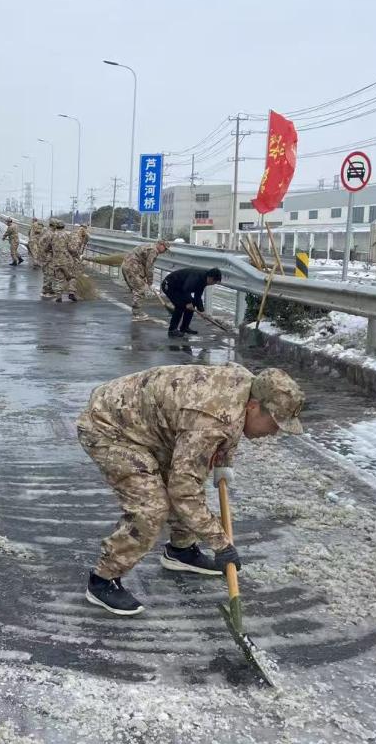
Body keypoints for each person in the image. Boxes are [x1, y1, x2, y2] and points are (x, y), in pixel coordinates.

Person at [76, 365, 305, 615]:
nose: (274, 432)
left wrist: (223, 461)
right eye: (274, 423)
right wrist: (220, 543)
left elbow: (228, 425)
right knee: (152, 507)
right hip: (110, 428)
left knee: (190, 477)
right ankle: (102, 580)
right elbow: (183, 490)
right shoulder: (212, 420)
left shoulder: (249, 386)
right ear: (253, 406)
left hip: (152, 425)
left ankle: (180, 550)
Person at [161, 266, 223, 336]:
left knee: (193, 304)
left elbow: (198, 297)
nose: (212, 284)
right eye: (213, 282)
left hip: (180, 289)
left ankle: (184, 327)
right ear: (211, 278)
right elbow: (186, 288)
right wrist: (188, 302)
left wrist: (202, 311)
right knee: (180, 305)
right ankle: (172, 330)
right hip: (169, 285)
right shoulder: (196, 277)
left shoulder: (204, 280)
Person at [120, 240, 170, 321]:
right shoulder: (154, 251)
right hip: (132, 268)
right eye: (165, 248)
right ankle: (137, 314)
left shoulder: (149, 246)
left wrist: (144, 276)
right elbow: (149, 267)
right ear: (161, 245)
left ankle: (136, 311)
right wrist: (150, 282)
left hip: (127, 266)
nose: (165, 251)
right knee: (140, 290)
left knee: (137, 289)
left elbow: (142, 261)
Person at [48, 223, 85, 303]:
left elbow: (48, 247)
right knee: (72, 276)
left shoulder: (51, 235)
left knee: (59, 279)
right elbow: (71, 248)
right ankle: (71, 292)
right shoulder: (67, 235)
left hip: (56, 260)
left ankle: (58, 296)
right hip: (67, 260)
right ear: (63, 227)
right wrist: (76, 255)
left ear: (56, 227)